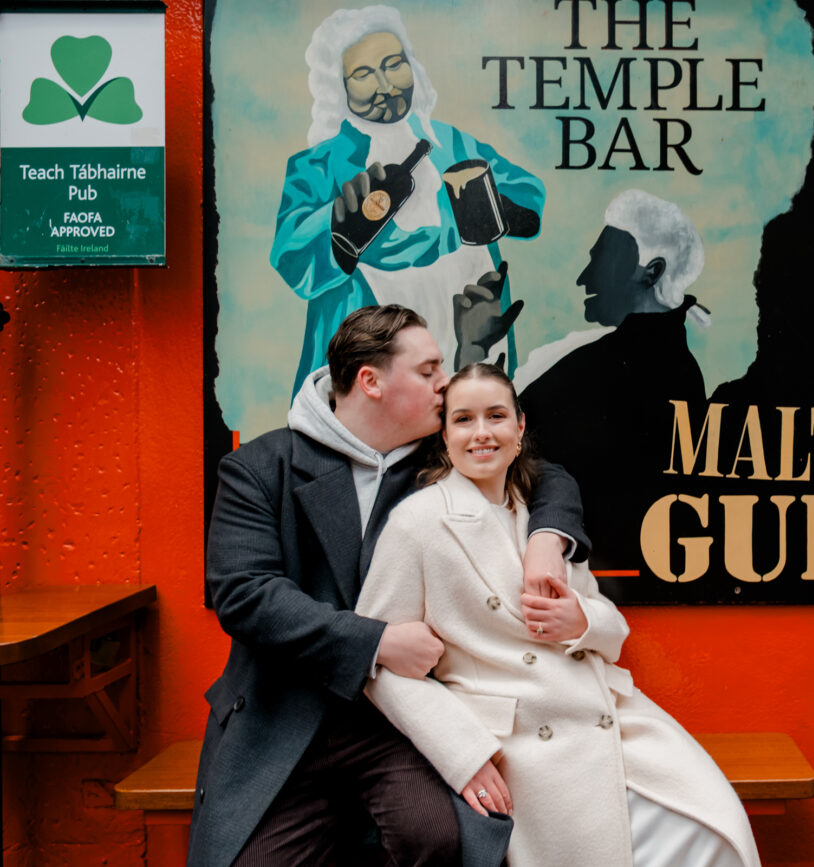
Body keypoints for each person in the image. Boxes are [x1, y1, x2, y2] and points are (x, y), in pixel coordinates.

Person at [191, 306, 587, 867]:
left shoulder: (442, 455)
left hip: (400, 720)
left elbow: (547, 475)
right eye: (427, 371)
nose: (444, 383)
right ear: (370, 381)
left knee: (439, 839)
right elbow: (245, 593)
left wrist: (548, 537)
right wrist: (374, 642)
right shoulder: (261, 466)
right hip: (282, 713)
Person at [356, 363, 761, 867]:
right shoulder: (416, 524)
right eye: (463, 419)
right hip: (521, 741)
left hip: (612, 719)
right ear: (444, 433)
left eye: (496, 416)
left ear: (520, 427)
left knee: (713, 832)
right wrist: (462, 756)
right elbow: (380, 666)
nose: (481, 433)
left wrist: (581, 622)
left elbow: (611, 625)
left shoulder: (543, 518)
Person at [272, 4, 543, 397]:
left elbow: (528, 199)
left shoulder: (452, 143)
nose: (386, 85)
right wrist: (338, 228)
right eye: (364, 74)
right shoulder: (319, 165)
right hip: (375, 354)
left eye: (393, 64)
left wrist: (499, 210)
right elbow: (290, 255)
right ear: (339, 85)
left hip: (469, 330)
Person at [516, 190, 708, 568]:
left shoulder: (614, 370)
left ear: (650, 271)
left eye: (601, 259)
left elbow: (509, 440)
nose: (584, 277)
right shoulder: (669, 366)